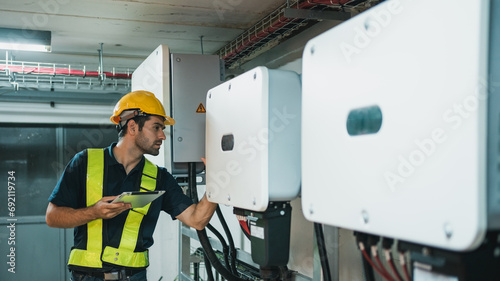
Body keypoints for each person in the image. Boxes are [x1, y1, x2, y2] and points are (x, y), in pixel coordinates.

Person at [46, 90, 217, 281]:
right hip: (86, 277)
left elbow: (197, 219)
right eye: (156, 128)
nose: (163, 136)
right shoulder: (85, 162)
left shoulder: (160, 177)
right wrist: (94, 212)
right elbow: (52, 217)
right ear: (133, 127)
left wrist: (217, 181)